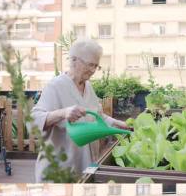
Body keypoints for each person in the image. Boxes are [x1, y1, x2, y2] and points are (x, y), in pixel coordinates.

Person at [31, 39, 130, 182]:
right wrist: (63, 113)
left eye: (96, 66)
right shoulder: (56, 86)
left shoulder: (88, 87)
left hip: (83, 167)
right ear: (73, 60)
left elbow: (98, 116)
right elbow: (34, 120)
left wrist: (117, 123)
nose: (93, 70)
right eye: (90, 65)